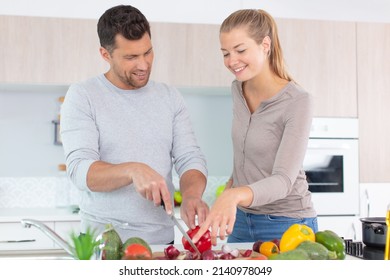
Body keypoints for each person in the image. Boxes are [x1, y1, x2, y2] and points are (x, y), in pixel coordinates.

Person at [60, 5, 209, 245]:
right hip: (105, 245)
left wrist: (192, 194)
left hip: (161, 244)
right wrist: (132, 170)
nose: (143, 65)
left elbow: (190, 157)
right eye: (131, 57)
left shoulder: (169, 97)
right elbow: (80, 170)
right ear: (105, 54)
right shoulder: (83, 95)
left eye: (148, 52)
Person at [193, 9, 317, 245]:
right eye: (225, 53)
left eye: (240, 50)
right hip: (241, 220)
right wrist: (223, 200)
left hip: (287, 223)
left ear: (265, 45)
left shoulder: (298, 101)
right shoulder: (237, 90)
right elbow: (244, 158)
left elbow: (283, 180)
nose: (231, 61)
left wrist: (233, 195)